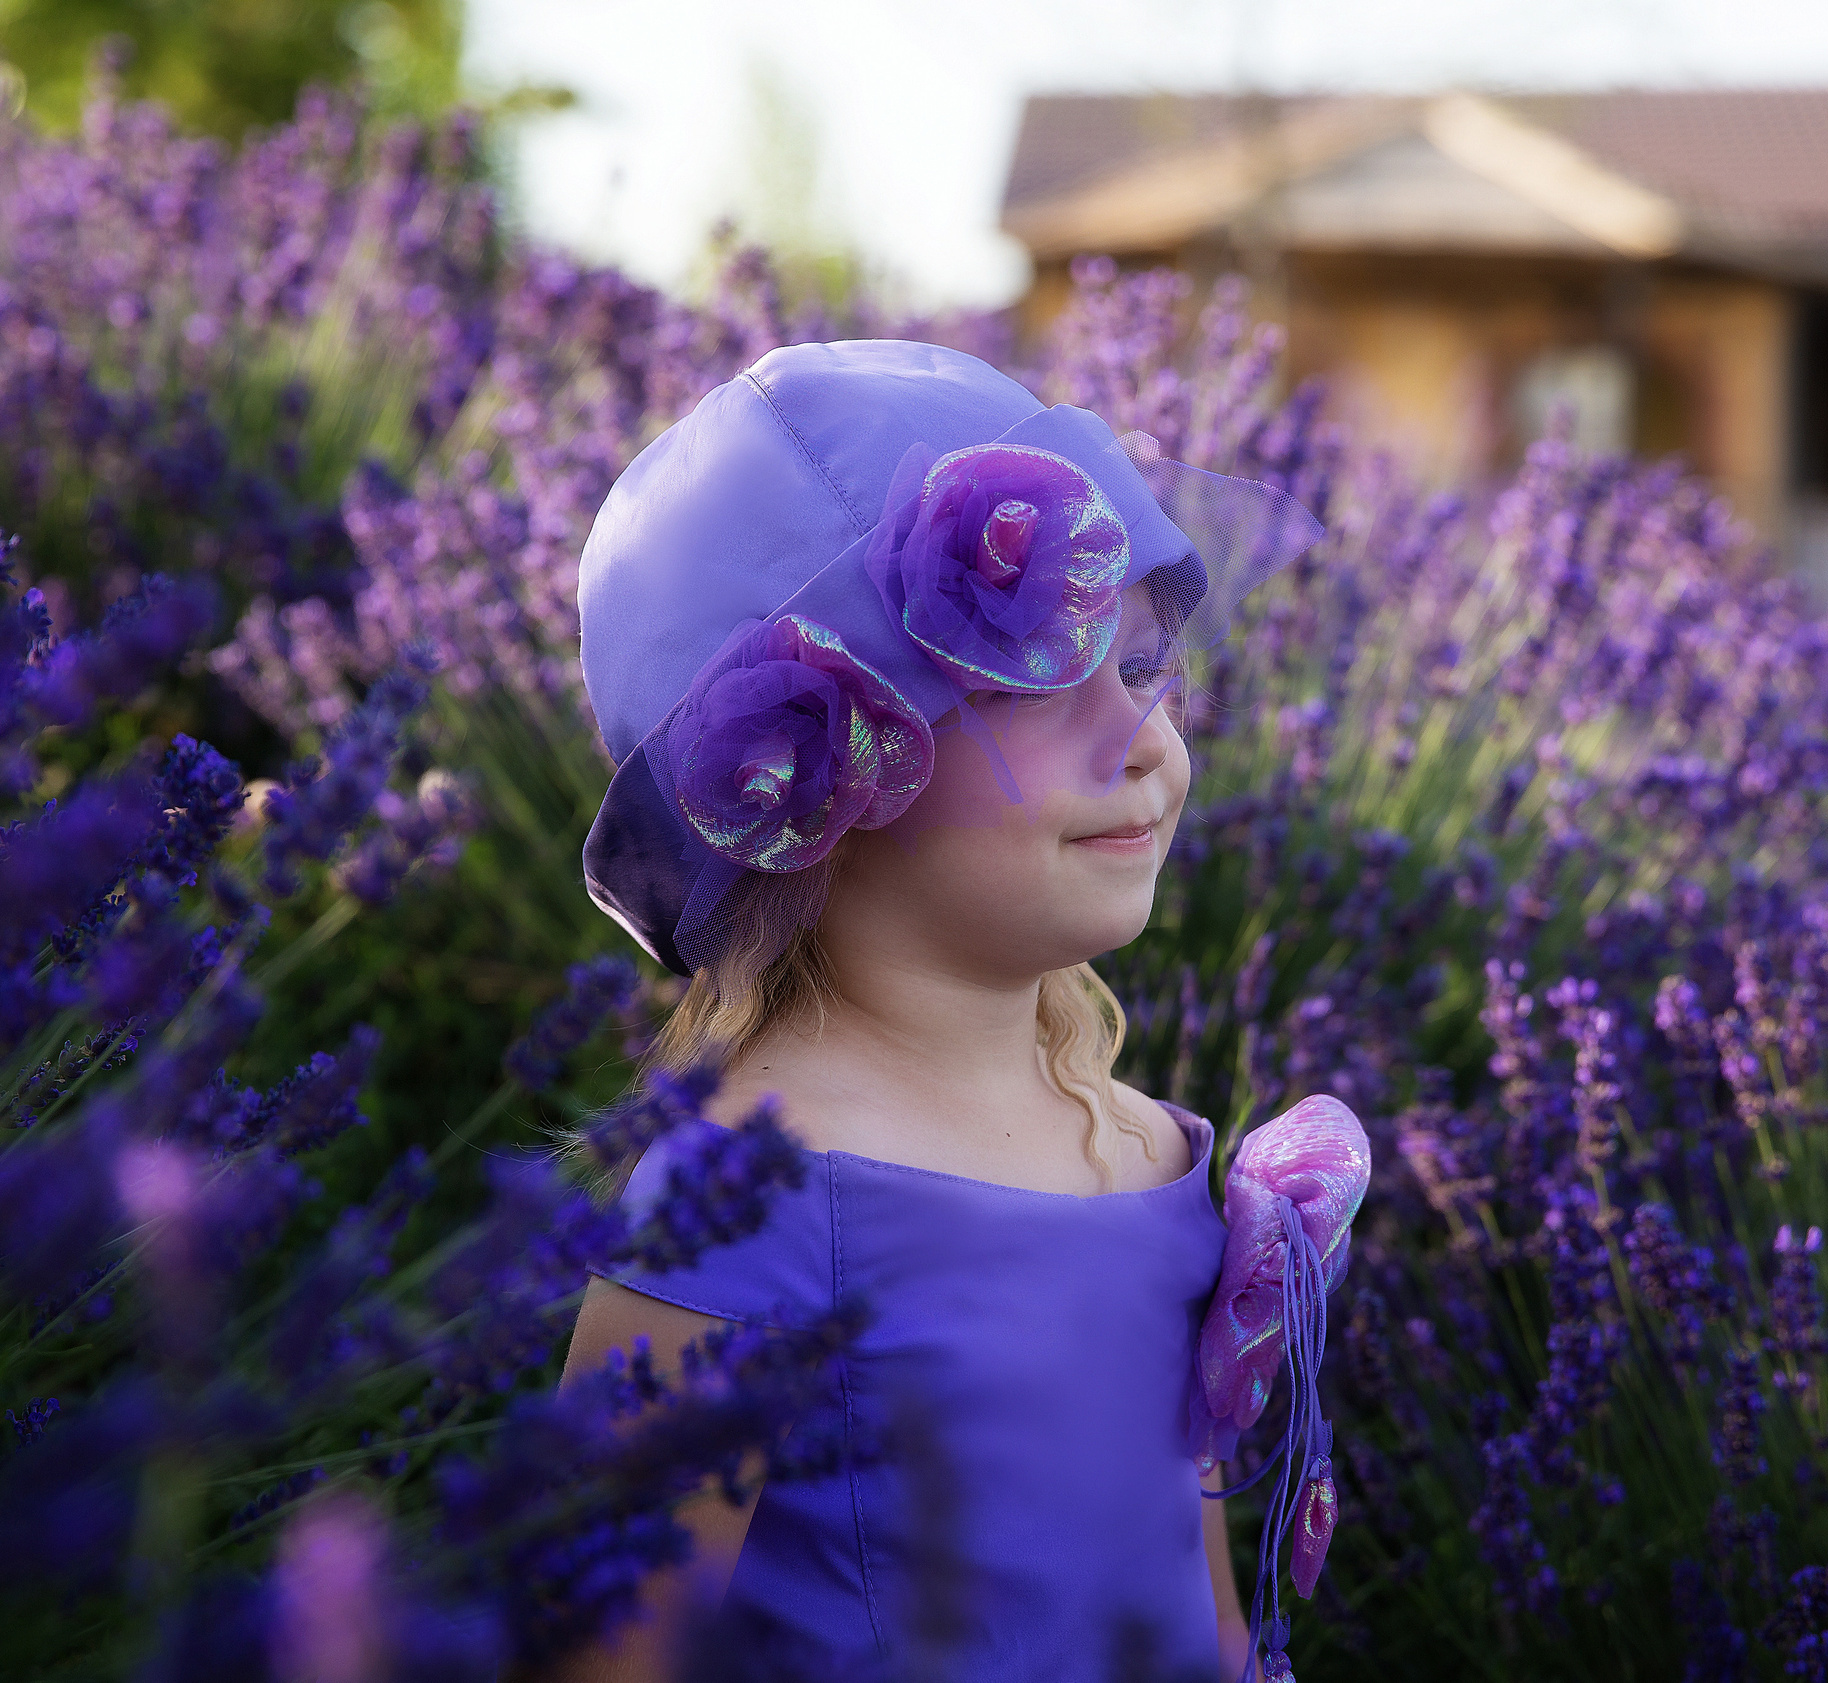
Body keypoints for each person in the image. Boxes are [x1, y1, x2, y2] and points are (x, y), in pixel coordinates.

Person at [547, 340, 1362, 1683]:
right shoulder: (746, 1195)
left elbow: (1203, 1620)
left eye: (1143, 664)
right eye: (1035, 684)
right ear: (813, 774)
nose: (1145, 740)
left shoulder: (1143, 1148)